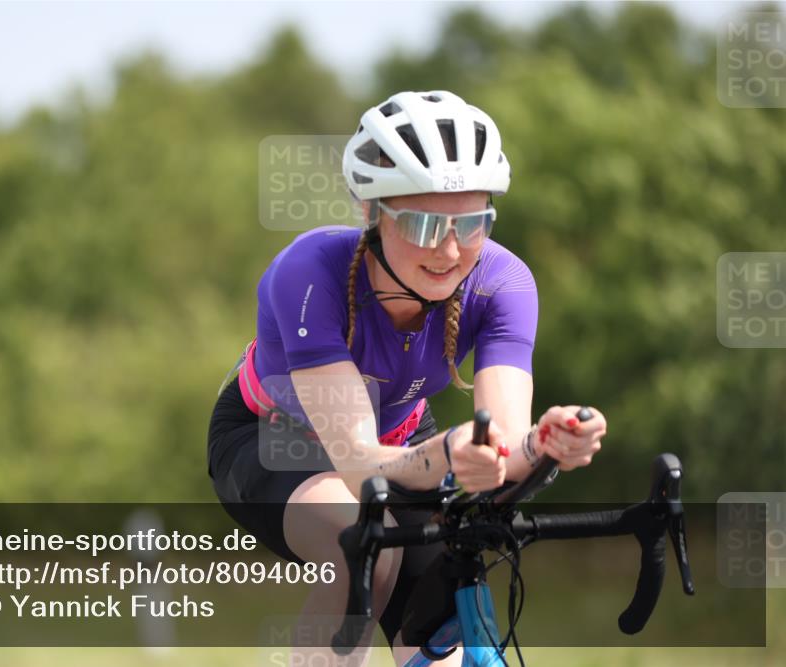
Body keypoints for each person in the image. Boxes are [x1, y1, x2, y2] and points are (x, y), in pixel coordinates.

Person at [207, 90, 608, 665]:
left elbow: (505, 450)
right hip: (273, 436)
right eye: (421, 224)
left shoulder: (504, 282)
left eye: (472, 224)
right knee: (361, 550)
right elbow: (355, 462)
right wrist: (451, 452)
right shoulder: (309, 272)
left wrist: (545, 442)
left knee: (446, 605)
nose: (448, 250)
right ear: (371, 213)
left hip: (403, 442)